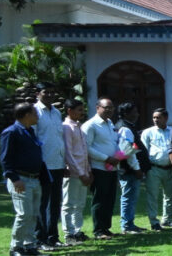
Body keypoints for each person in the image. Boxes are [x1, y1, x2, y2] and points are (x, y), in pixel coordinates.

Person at [3, 103, 47, 255]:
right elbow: (5, 159)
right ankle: (16, 248)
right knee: (23, 214)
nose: (38, 116)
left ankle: (29, 245)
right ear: (27, 115)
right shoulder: (11, 132)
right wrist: (14, 179)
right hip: (20, 180)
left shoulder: (30, 131)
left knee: (33, 214)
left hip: (34, 179)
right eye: (35, 113)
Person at [32, 84, 65, 250]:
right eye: (46, 92)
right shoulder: (34, 111)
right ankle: (40, 239)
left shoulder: (56, 112)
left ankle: (53, 237)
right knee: (42, 203)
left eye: (53, 92)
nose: (50, 95)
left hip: (58, 163)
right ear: (37, 93)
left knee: (55, 203)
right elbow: (32, 138)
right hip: (43, 164)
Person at [82, 98, 119, 239]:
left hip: (112, 168)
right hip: (99, 168)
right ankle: (98, 230)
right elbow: (86, 147)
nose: (109, 110)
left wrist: (118, 156)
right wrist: (106, 158)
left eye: (111, 107)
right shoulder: (90, 125)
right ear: (97, 108)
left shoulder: (110, 123)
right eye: (106, 107)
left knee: (110, 199)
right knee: (100, 199)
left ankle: (106, 228)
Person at [59, 99, 91, 244]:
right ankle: (69, 234)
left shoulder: (79, 126)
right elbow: (68, 153)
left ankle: (77, 231)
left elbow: (84, 151)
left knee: (80, 204)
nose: (82, 112)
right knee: (69, 204)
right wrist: (80, 173)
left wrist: (88, 170)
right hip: (73, 172)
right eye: (79, 110)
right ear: (69, 111)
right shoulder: (67, 127)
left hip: (83, 171)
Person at [141, 108, 172, 231]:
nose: (155, 120)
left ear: (166, 118)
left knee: (170, 196)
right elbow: (143, 151)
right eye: (154, 117)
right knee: (152, 196)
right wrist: (145, 169)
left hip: (170, 169)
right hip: (154, 168)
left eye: (158, 117)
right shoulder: (148, 132)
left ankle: (167, 220)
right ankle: (154, 222)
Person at [114, 102, 144, 234]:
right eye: (134, 112)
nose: (137, 114)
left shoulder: (126, 126)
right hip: (129, 170)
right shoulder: (125, 129)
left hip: (129, 169)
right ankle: (126, 225)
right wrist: (137, 169)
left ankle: (130, 223)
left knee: (131, 197)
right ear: (126, 113)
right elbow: (127, 151)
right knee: (128, 197)